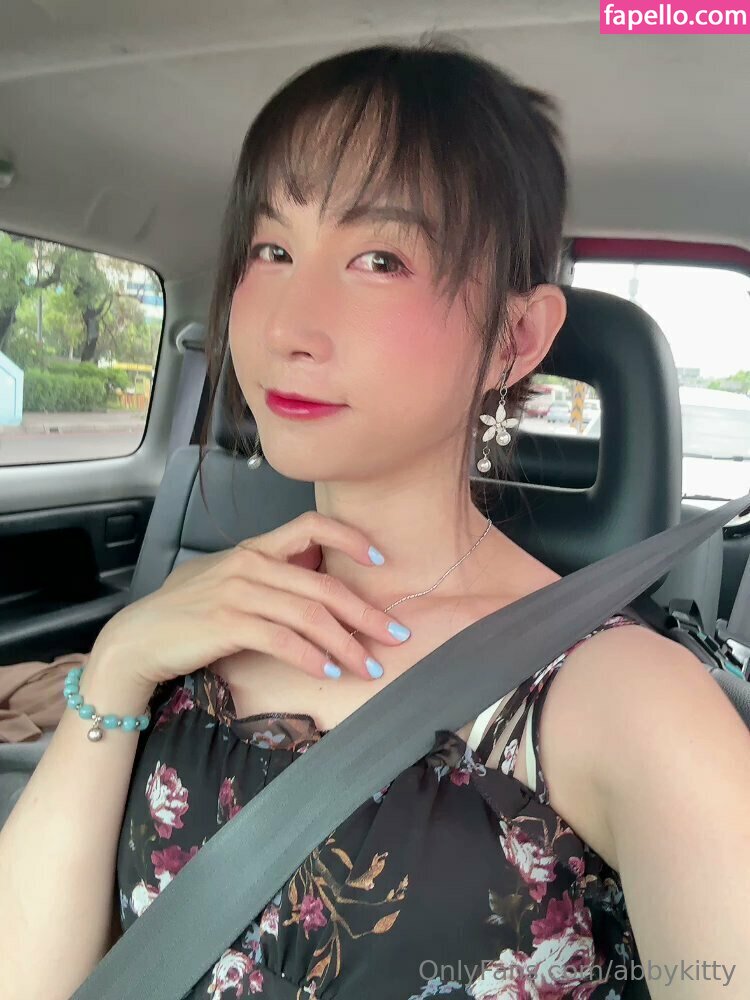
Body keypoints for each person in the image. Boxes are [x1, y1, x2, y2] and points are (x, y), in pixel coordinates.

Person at [1, 37, 748, 1000]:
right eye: (272, 250)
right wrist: (116, 663)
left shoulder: (627, 702)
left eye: (380, 259)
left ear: (514, 337)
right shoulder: (186, 628)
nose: (285, 327)